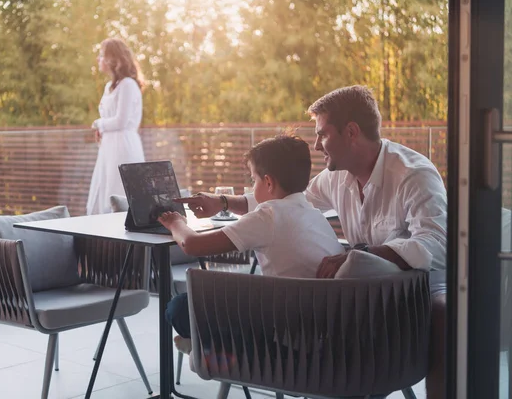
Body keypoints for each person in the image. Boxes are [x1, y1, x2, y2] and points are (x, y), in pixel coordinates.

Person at [179, 85, 447, 398]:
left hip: (417, 290)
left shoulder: (413, 174)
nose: (317, 145)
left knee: (442, 312)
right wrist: (224, 202)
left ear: (350, 132)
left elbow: (436, 245)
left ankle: (210, 352)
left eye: (322, 134)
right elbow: (289, 199)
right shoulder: (336, 177)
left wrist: (359, 255)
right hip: (359, 294)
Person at [158, 134, 345, 354]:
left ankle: (210, 347)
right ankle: (207, 345)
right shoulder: (312, 213)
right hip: (322, 331)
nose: (251, 186)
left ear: (268, 182)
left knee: (179, 307)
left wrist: (175, 222)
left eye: (253, 180)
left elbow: (192, 245)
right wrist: (221, 203)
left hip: (289, 342)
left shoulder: (269, 216)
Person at [86, 37, 145, 215]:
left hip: (123, 146)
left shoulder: (128, 85)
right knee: (104, 187)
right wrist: (102, 128)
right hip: (109, 147)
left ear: (114, 60)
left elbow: (121, 120)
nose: (98, 59)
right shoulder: (109, 87)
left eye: (102, 55)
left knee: (118, 188)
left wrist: (99, 124)